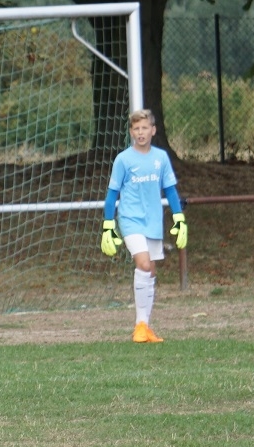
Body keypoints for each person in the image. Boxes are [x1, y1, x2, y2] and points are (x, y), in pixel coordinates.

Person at [101, 108, 188, 343]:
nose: (140, 132)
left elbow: (170, 190)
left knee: (150, 270)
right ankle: (139, 326)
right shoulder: (123, 159)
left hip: (153, 221)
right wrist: (108, 224)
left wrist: (179, 218)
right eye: (136, 128)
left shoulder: (161, 158)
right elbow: (112, 194)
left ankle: (145, 326)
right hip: (130, 219)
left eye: (144, 128)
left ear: (153, 130)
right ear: (131, 132)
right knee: (143, 263)